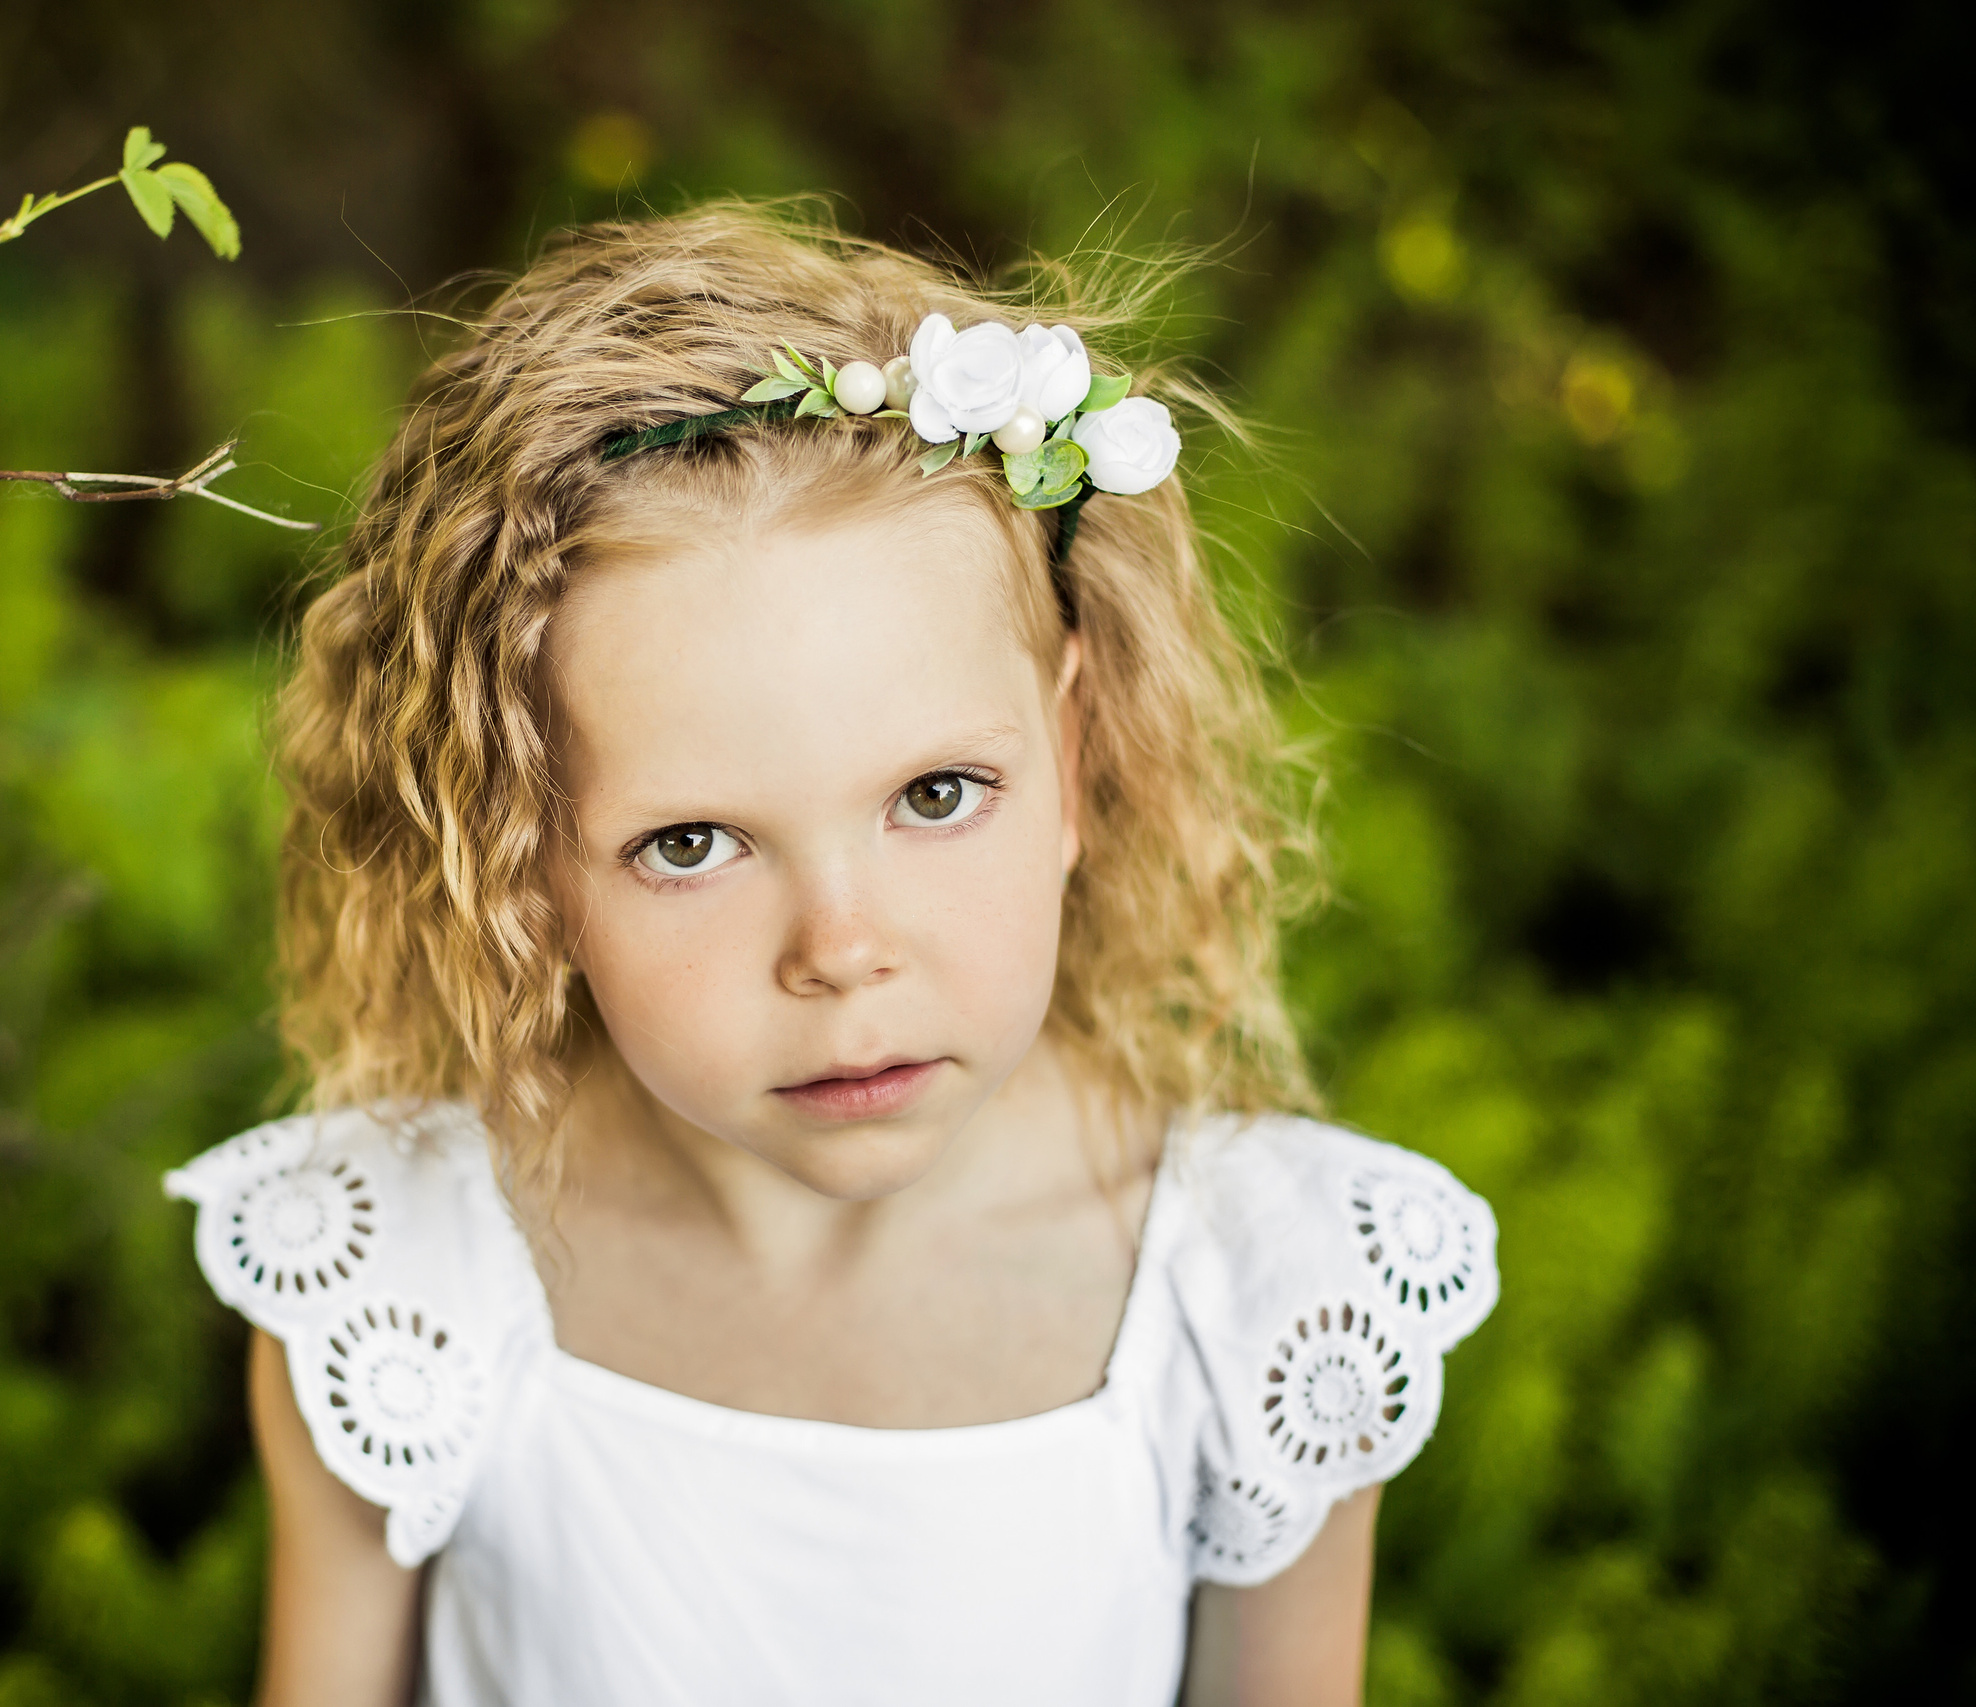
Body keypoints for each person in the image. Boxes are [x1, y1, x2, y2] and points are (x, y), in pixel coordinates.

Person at [164, 205, 1498, 1707]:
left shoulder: (1255, 1302)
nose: (842, 953)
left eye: (936, 797)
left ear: (1073, 752)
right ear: (521, 861)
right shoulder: (408, 1282)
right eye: (690, 845)